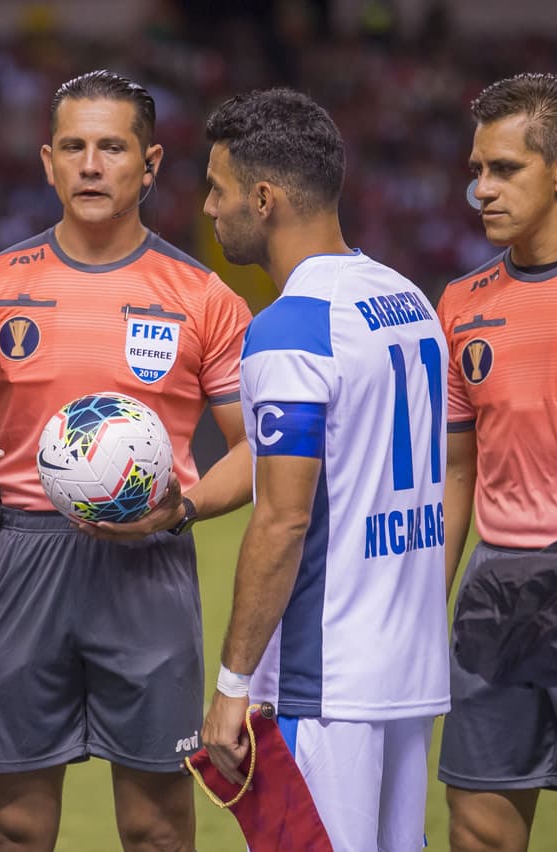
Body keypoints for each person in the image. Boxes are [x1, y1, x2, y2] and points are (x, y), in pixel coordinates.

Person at [0, 70, 253, 851]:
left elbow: (257, 455)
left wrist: (184, 509)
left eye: (112, 147)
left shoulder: (203, 296)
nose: (92, 164)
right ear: (47, 161)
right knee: (13, 826)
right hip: (25, 559)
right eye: (74, 146)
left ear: (152, 162)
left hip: (151, 567)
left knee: (157, 827)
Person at [198, 88, 451, 851]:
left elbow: (283, 516)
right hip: (407, 671)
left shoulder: (290, 329)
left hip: (325, 679)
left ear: (265, 198)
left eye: (218, 189)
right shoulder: (407, 297)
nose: (210, 209)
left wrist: (232, 688)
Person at [435, 72, 557, 852]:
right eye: (476, 171)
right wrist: (429, 599)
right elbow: (459, 473)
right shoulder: (460, 303)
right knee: (480, 829)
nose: (481, 191)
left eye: (505, 170)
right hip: (496, 587)